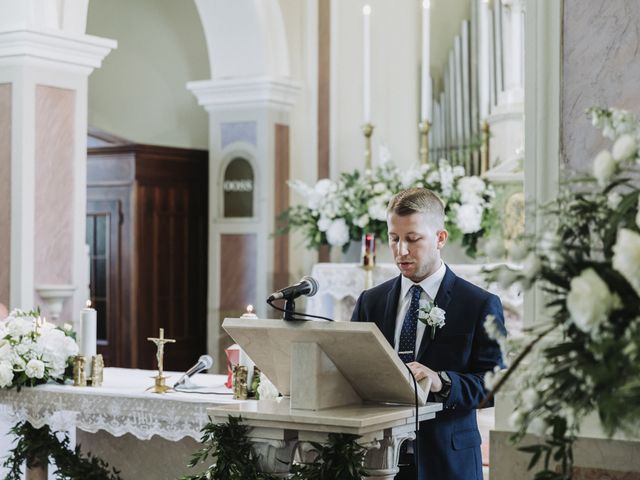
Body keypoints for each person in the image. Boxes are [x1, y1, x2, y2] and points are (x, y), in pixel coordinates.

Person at [351, 187, 505, 480]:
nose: (401, 251)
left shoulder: (478, 304)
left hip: (446, 462)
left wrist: (442, 382)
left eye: (413, 239)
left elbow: (495, 383)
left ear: (440, 238)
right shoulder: (370, 302)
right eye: (394, 239)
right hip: (378, 460)